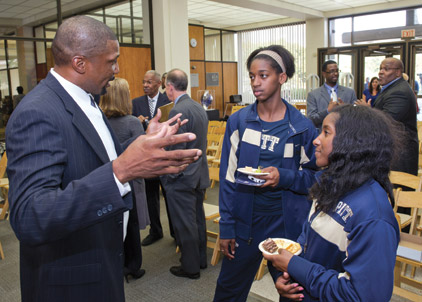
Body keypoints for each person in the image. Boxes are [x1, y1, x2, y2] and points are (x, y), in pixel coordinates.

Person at [6, 16, 201, 302]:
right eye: (111, 61)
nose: (117, 69)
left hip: (104, 260)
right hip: (71, 281)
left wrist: (142, 143)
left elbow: (99, 159)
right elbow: (30, 216)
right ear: (80, 63)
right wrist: (120, 170)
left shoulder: (87, 100)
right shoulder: (38, 112)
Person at [264, 105, 400, 302]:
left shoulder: (373, 217)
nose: (316, 140)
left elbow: (362, 296)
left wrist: (295, 266)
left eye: (326, 132)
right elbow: (307, 237)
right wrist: (288, 277)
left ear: (352, 142)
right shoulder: (329, 183)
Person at [213, 45, 318, 301]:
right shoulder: (239, 122)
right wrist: (227, 227)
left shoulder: (301, 128)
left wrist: (284, 177)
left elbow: (317, 179)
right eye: (251, 76)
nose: (255, 83)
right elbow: (228, 177)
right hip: (244, 224)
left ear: (281, 78)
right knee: (228, 291)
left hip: (286, 226)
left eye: (263, 75)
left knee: (292, 292)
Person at [161, 68, 210, 279]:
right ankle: (200, 260)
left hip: (182, 176)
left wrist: (167, 175)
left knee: (185, 223)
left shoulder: (176, 110)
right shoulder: (198, 107)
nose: (165, 91)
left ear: (170, 88)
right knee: (197, 219)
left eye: (165, 87)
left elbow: (175, 149)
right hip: (199, 173)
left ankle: (190, 267)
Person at [99, 77, 149, 282]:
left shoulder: (100, 122)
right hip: (131, 182)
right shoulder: (132, 123)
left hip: (105, 182)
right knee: (132, 225)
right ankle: (133, 266)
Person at [132, 70, 175, 246]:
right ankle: (155, 231)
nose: (145, 85)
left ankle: (175, 232)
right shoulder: (136, 103)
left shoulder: (168, 103)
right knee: (151, 197)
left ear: (159, 84)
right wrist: (137, 121)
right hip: (148, 157)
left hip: (165, 155)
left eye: (149, 82)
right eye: (144, 82)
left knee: (169, 195)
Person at [372, 57, 418, 175]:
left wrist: (367, 111)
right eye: (380, 68)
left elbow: (386, 121)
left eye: (386, 69)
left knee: (399, 191)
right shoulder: (391, 88)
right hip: (391, 151)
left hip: (399, 155)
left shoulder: (399, 92)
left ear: (398, 72)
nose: (381, 72)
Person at [306, 60, 357, 129]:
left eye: (337, 71)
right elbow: (311, 119)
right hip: (323, 135)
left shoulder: (350, 93)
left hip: (345, 135)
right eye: (332, 71)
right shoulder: (313, 95)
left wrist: (345, 111)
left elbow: (356, 118)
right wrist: (328, 110)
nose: (335, 74)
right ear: (324, 74)